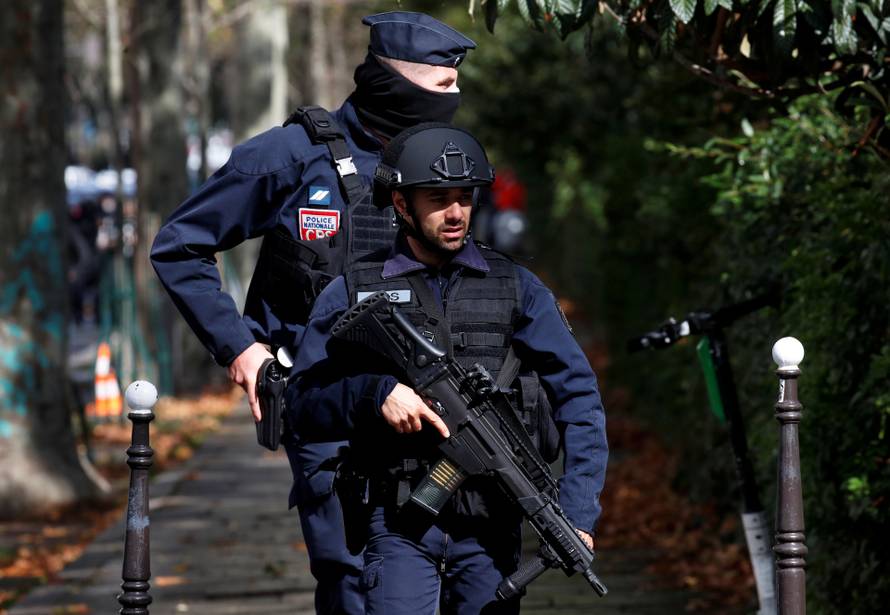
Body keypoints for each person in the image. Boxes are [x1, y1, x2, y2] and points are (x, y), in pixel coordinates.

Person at [149, 12, 477, 615]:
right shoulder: (292, 155)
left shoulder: (444, 162)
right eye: (443, 85)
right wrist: (240, 349)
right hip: (325, 403)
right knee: (352, 579)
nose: (455, 98)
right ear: (394, 81)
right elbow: (180, 245)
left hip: (430, 404)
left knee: (450, 575)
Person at [288, 124, 609, 614]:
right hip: (397, 522)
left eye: (465, 197)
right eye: (438, 199)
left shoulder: (516, 287)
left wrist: (579, 509)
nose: (456, 213)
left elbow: (580, 397)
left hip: (492, 522)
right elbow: (301, 403)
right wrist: (375, 394)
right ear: (401, 204)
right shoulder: (353, 290)